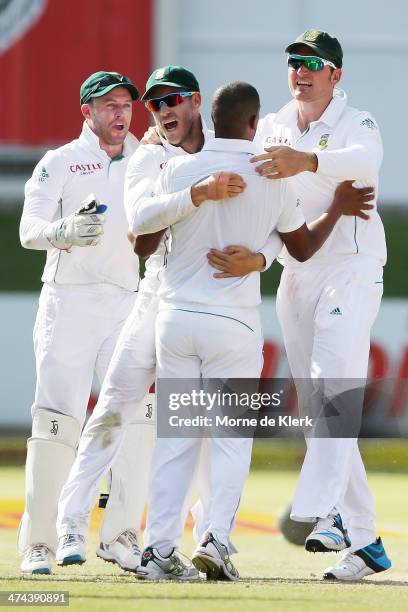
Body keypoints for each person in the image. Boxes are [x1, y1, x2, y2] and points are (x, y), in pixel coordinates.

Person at [132, 80, 374, 581]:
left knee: (176, 440)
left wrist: (194, 195)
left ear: (211, 120)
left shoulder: (176, 166)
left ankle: (157, 550)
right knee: (229, 439)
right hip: (232, 325)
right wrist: (334, 211)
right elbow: (303, 249)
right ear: (253, 122)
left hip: (175, 319)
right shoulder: (271, 178)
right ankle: (216, 539)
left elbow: (142, 238)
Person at [54, 66, 280, 574]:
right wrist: (193, 190)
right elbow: (141, 237)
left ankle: (205, 541)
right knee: (114, 407)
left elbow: (282, 225)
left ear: (196, 102)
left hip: (212, 305)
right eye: (154, 106)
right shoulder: (150, 157)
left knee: (199, 432)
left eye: (171, 100)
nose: (162, 112)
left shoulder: (233, 147)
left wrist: (261, 258)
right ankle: (69, 520)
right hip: (159, 296)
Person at [246, 29, 391, 581]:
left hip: (351, 269)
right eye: (292, 63)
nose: (300, 71)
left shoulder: (358, 121)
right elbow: (265, 198)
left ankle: (323, 510)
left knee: (334, 384)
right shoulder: (274, 124)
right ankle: (366, 540)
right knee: (318, 409)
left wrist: (305, 160)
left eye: (311, 63)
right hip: (297, 272)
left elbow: (366, 163)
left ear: (336, 73)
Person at [18, 71, 145, 575]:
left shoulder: (145, 160)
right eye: (108, 105)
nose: (120, 114)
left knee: (136, 418)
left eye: (126, 105)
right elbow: (29, 231)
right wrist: (62, 231)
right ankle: (41, 544)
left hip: (126, 302)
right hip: (67, 301)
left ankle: (121, 536)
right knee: (56, 420)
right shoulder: (61, 162)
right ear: (86, 111)